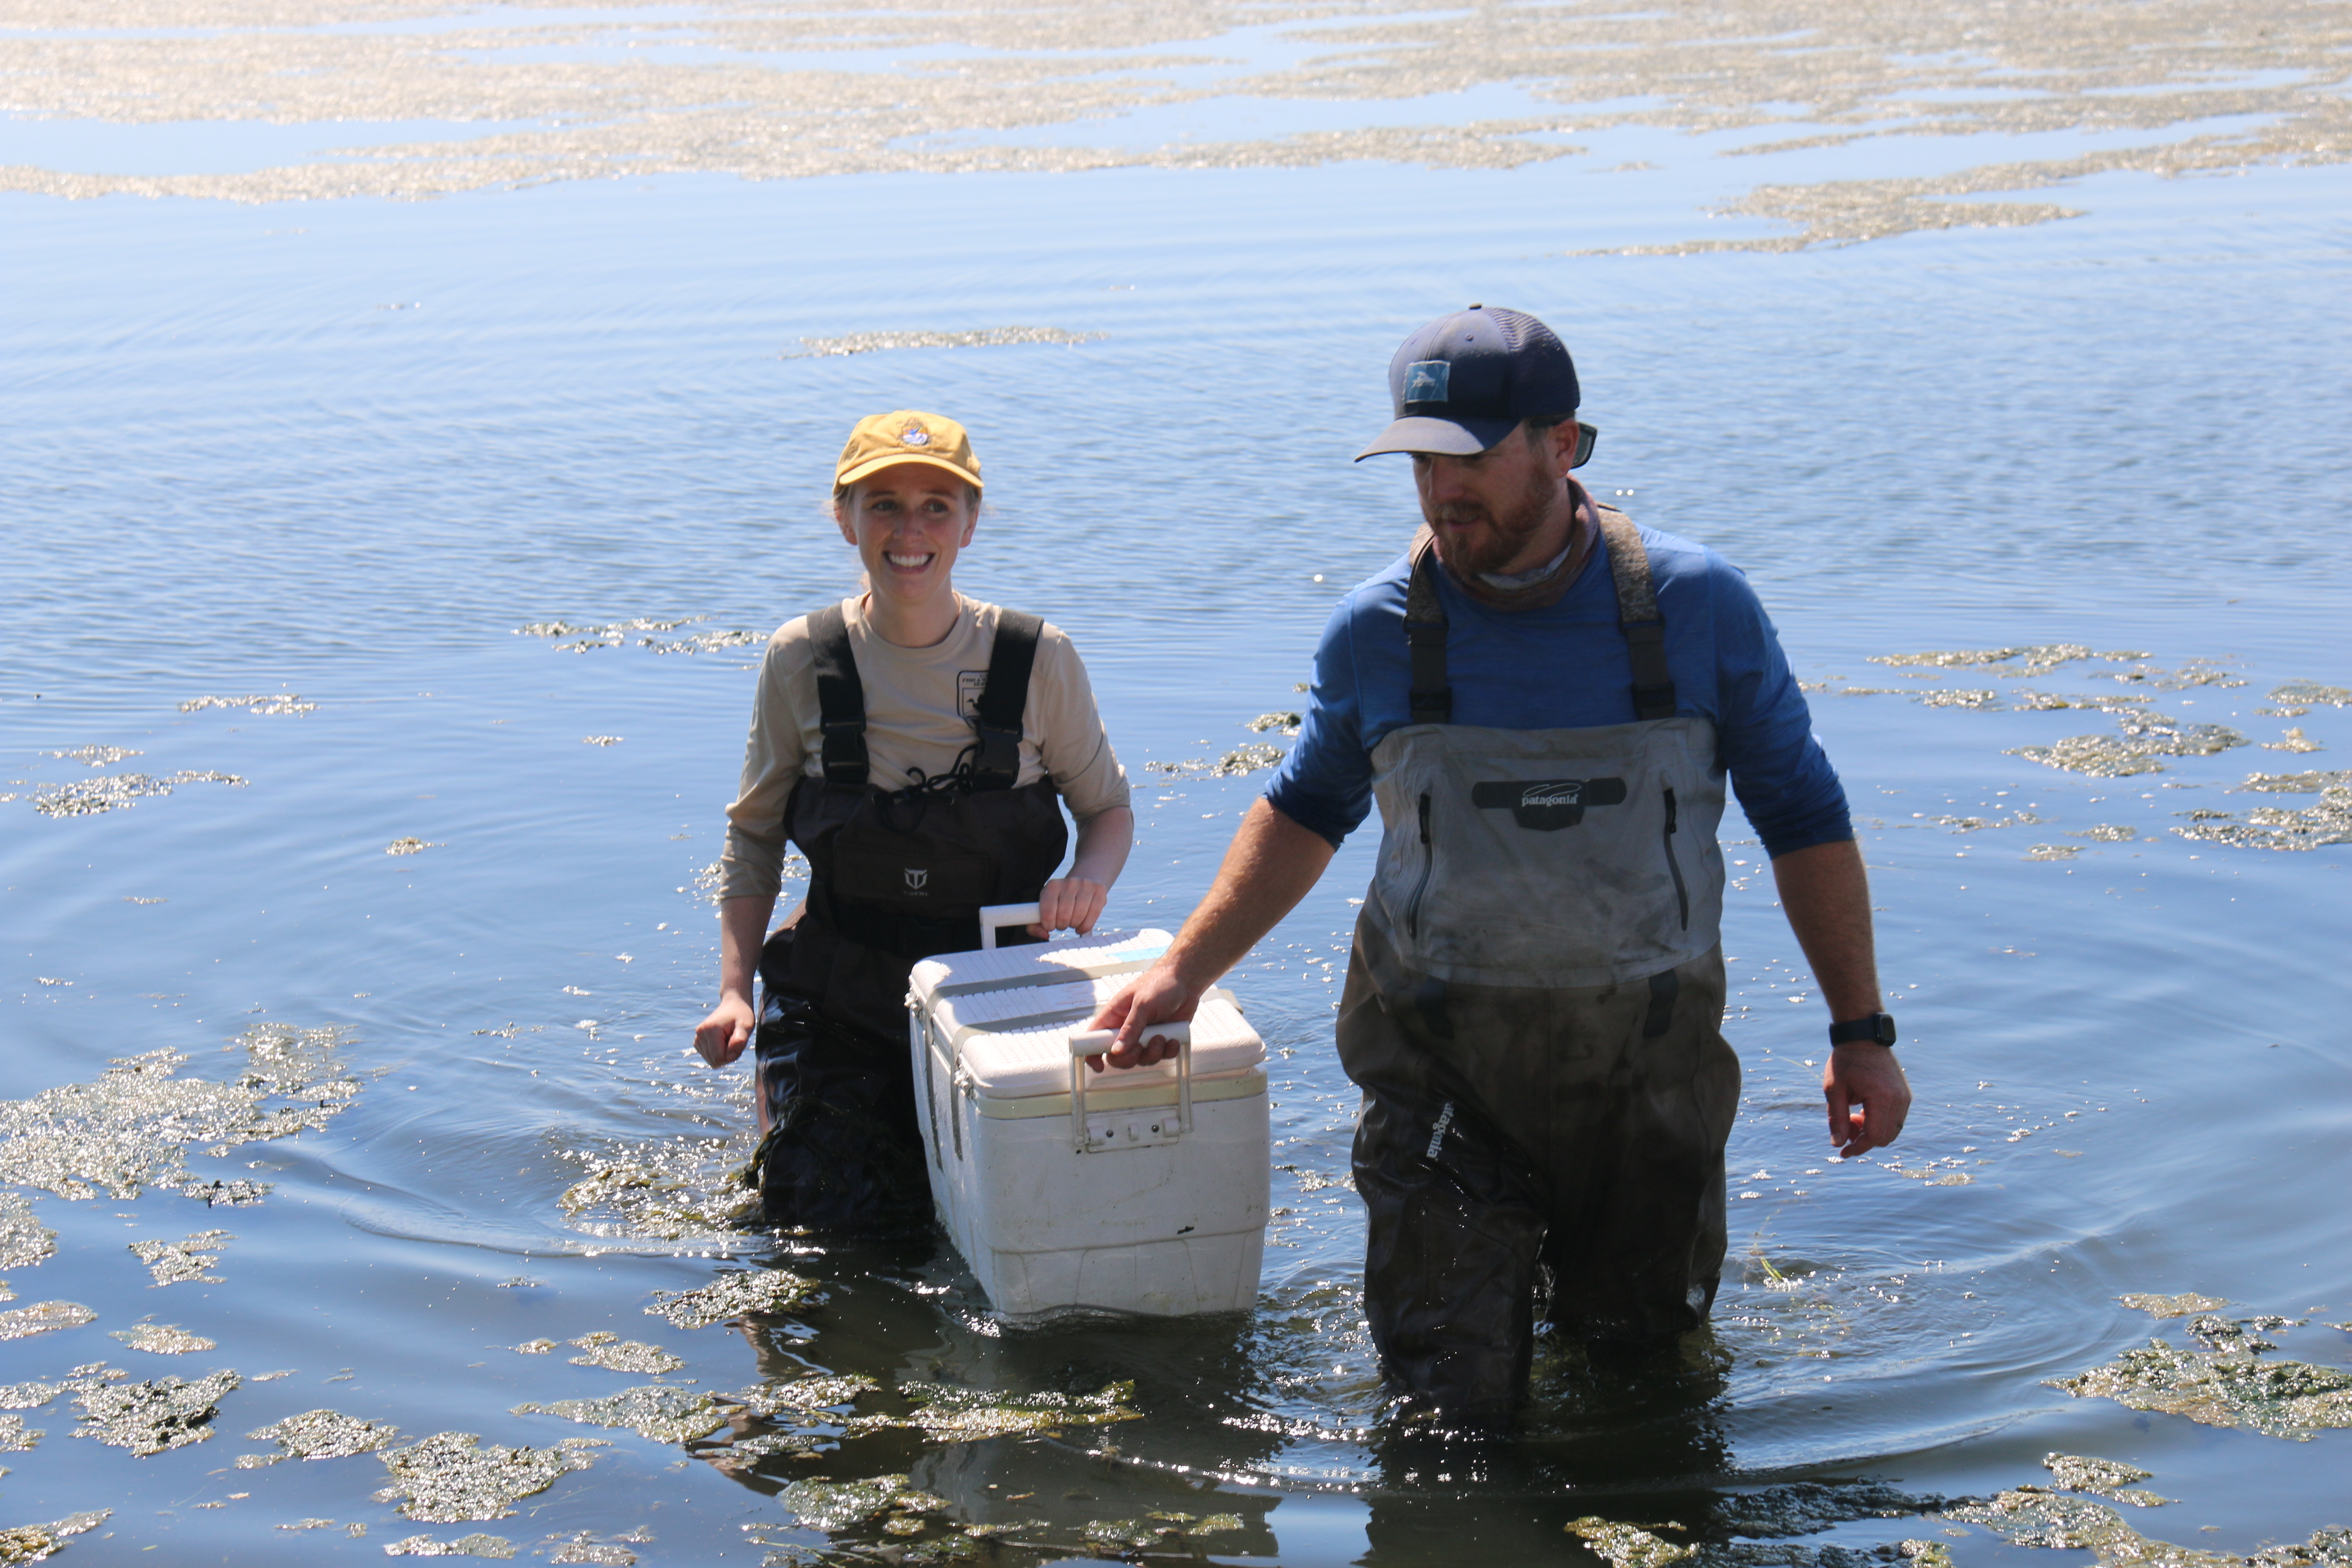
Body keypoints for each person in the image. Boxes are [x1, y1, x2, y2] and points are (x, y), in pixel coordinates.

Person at [1089, 306, 1911, 1423]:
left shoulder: (1698, 611)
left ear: (1563, 445)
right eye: (1421, 463)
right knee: (1447, 1423)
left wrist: (1861, 1034)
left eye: (1470, 459)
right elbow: (1305, 812)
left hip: (1648, 1078)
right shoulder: (1377, 630)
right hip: (1442, 1076)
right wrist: (1183, 973)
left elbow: (1803, 817)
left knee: (1646, 1400)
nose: (1442, 491)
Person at [695, 409, 1134, 1228]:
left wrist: (1088, 878)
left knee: (1035, 1215)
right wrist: (733, 992)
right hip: (837, 997)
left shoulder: (1037, 657)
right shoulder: (801, 656)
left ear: (970, 522)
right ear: (845, 519)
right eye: (884, 505)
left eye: (937, 505)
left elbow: (1106, 810)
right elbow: (754, 833)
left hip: (999, 987)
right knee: (822, 1222)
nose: (910, 530)